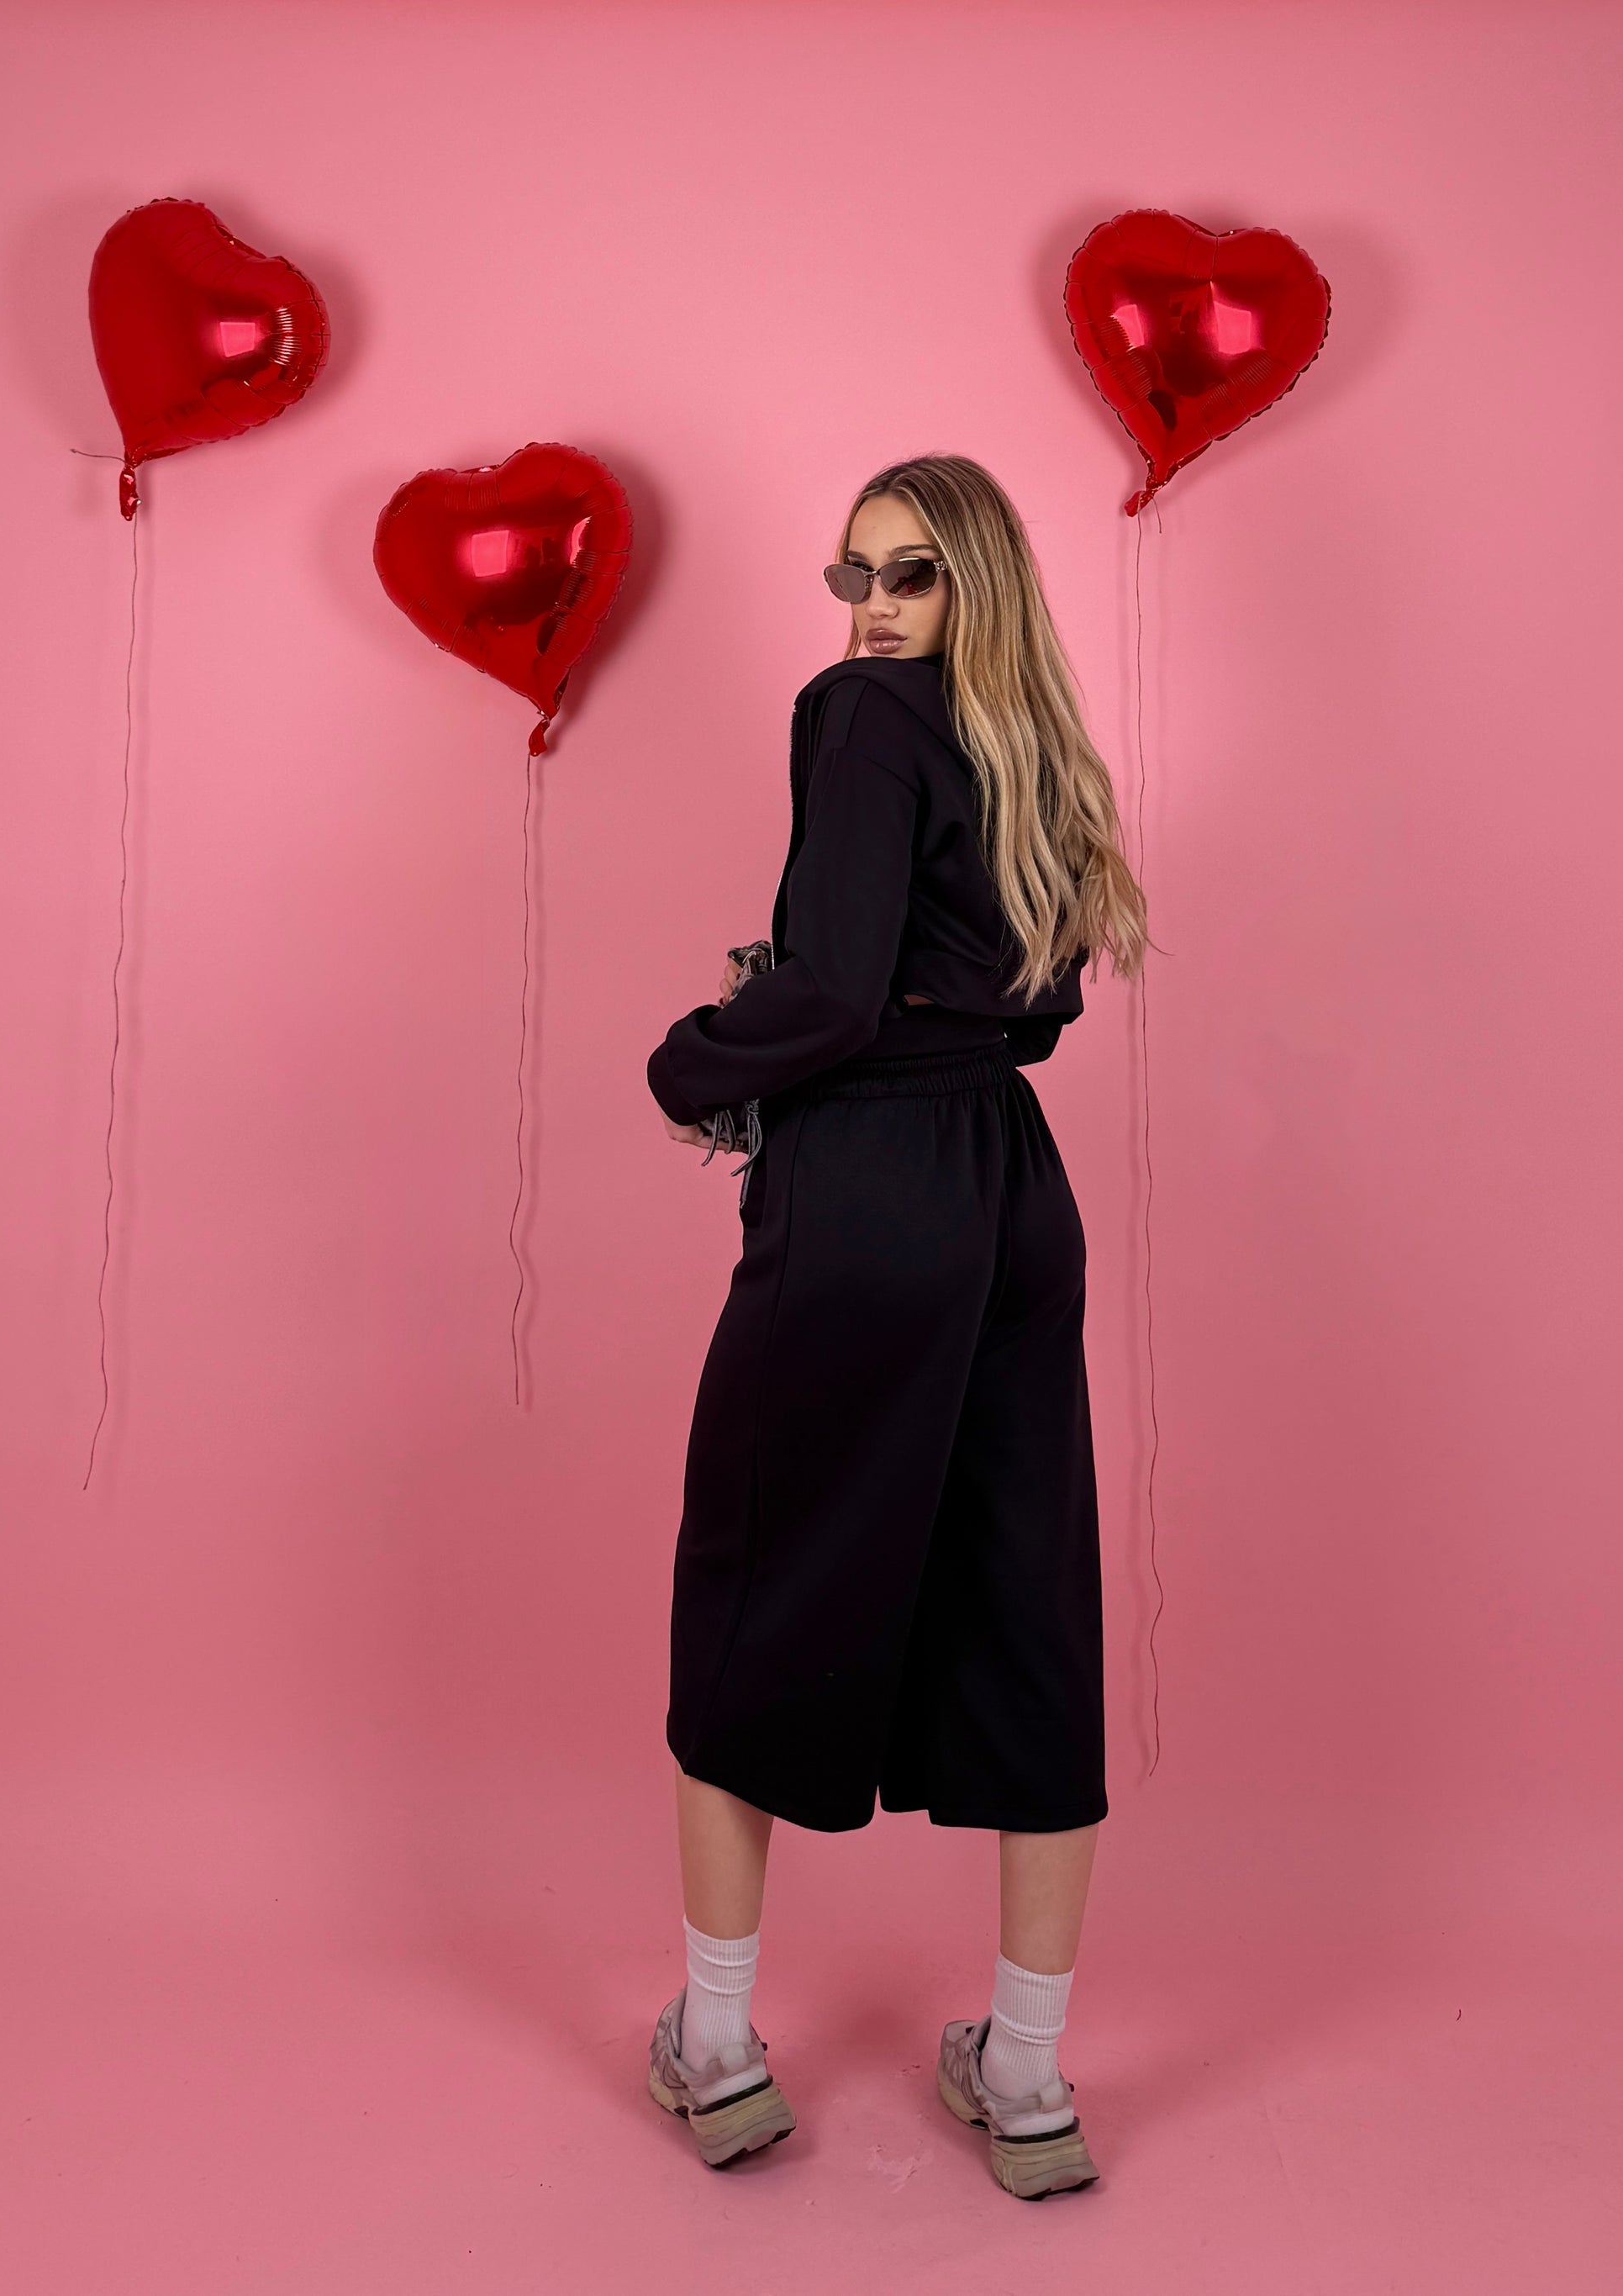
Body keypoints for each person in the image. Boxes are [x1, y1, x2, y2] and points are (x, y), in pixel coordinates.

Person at [642, 454, 1148, 2198]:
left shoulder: (859, 715)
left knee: (754, 1575)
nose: (870, 607)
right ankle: (1028, 2074)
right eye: (853, 574)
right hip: (1012, 1184)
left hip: (868, 1184)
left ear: (974, 582)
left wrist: (695, 1058)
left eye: (912, 572)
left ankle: (717, 2046)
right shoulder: (1035, 743)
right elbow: (1038, 1006)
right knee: (1028, 1593)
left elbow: (838, 990)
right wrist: (899, 1000)